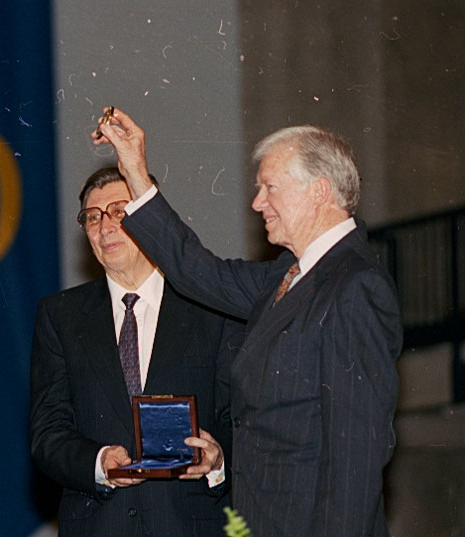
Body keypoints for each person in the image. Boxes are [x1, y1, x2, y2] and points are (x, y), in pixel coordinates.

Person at [93, 109, 402, 537]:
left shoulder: (354, 285)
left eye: (269, 187)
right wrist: (135, 170)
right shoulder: (285, 275)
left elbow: (357, 455)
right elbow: (196, 271)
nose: (257, 203)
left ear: (319, 191)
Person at [29, 166, 243, 536]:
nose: (104, 227)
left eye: (119, 212)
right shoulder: (60, 316)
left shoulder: (209, 308)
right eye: (92, 217)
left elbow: (242, 420)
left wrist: (218, 456)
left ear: (151, 219)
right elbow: (47, 433)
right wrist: (98, 463)